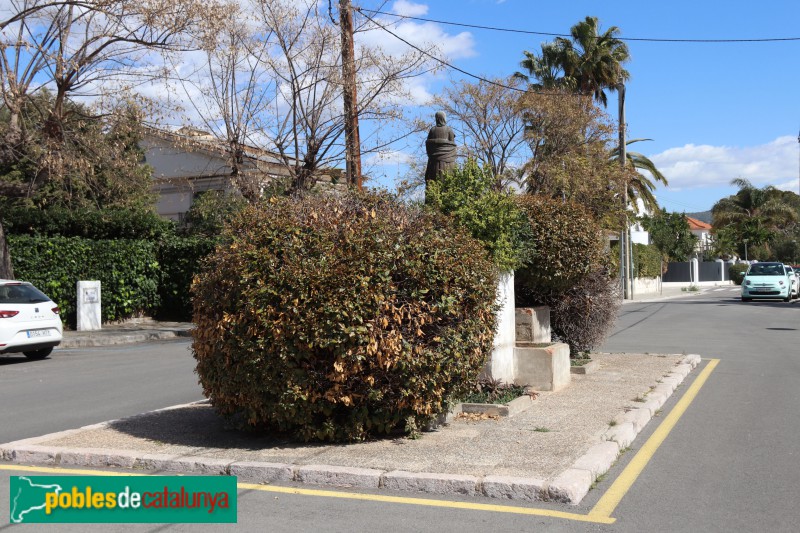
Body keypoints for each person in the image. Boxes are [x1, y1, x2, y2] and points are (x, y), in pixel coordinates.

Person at [424, 111, 457, 187]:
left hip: (433, 164)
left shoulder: (432, 130)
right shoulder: (449, 130)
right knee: (448, 184)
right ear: (444, 118)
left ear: (437, 118)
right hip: (448, 163)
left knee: (434, 185)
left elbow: (429, 145)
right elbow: (452, 145)